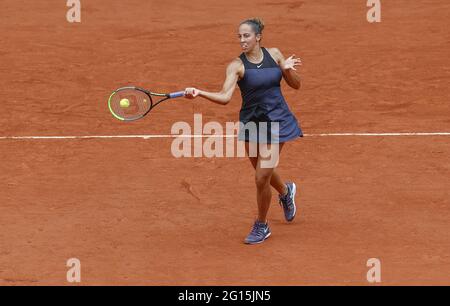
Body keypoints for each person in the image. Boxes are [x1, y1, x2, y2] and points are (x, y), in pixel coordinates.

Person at [184, 17, 303, 244]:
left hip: (277, 120)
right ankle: (286, 192)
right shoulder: (236, 66)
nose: (242, 40)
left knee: (261, 178)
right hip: (251, 122)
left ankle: (262, 225)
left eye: (246, 35)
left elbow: (296, 85)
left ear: (258, 36)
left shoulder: (275, 54)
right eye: (239, 36)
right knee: (262, 171)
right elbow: (225, 97)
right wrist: (200, 92)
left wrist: (286, 70)